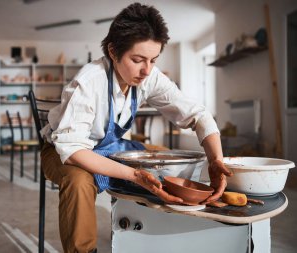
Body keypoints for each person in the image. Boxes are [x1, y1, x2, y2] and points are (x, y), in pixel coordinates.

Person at [41, 2, 232, 253]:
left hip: (110, 148)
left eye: (153, 60)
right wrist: (133, 175)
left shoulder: (148, 77)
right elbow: (74, 149)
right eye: (137, 60)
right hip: (62, 150)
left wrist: (215, 159)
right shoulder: (89, 82)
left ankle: (151, 240)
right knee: (79, 181)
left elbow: (197, 114)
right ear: (113, 51)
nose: (146, 70)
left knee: (164, 159)